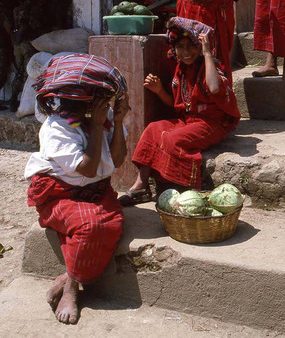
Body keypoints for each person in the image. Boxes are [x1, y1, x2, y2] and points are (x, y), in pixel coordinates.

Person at [24, 54, 130, 324]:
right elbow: (87, 168)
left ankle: (68, 278)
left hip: (94, 191)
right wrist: (95, 126)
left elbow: (116, 160)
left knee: (111, 222)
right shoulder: (58, 126)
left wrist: (116, 122)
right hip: (58, 194)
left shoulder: (103, 119)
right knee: (90, 225)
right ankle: (73, 288)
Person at [119, 17, 240, 206]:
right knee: (152, 129)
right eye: (180, 47)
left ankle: (183, 189)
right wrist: (159, 91)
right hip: (188, 121)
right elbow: (178, 105)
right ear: (174, 49)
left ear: (200, 48)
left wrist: (207, 53)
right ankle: (141, 185)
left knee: (171, 139)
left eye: (191, 46)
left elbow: (215, 88)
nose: (186, 52)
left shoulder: (211, 67)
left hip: (210, 124)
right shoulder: (181, 70)